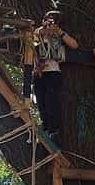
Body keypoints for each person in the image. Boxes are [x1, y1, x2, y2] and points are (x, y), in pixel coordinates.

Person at [28, 10, 79, 141]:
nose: (49, 23)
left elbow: (74, 45)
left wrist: (59, 32)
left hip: (52, 72)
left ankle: (53, 131)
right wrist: (42, 31)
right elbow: (30, 42)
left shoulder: (58, 35)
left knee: (51, 102)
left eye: (52, 21)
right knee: (41, 103)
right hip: (38, 73)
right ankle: (46, 129)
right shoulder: (38, 33)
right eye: (47, 20)